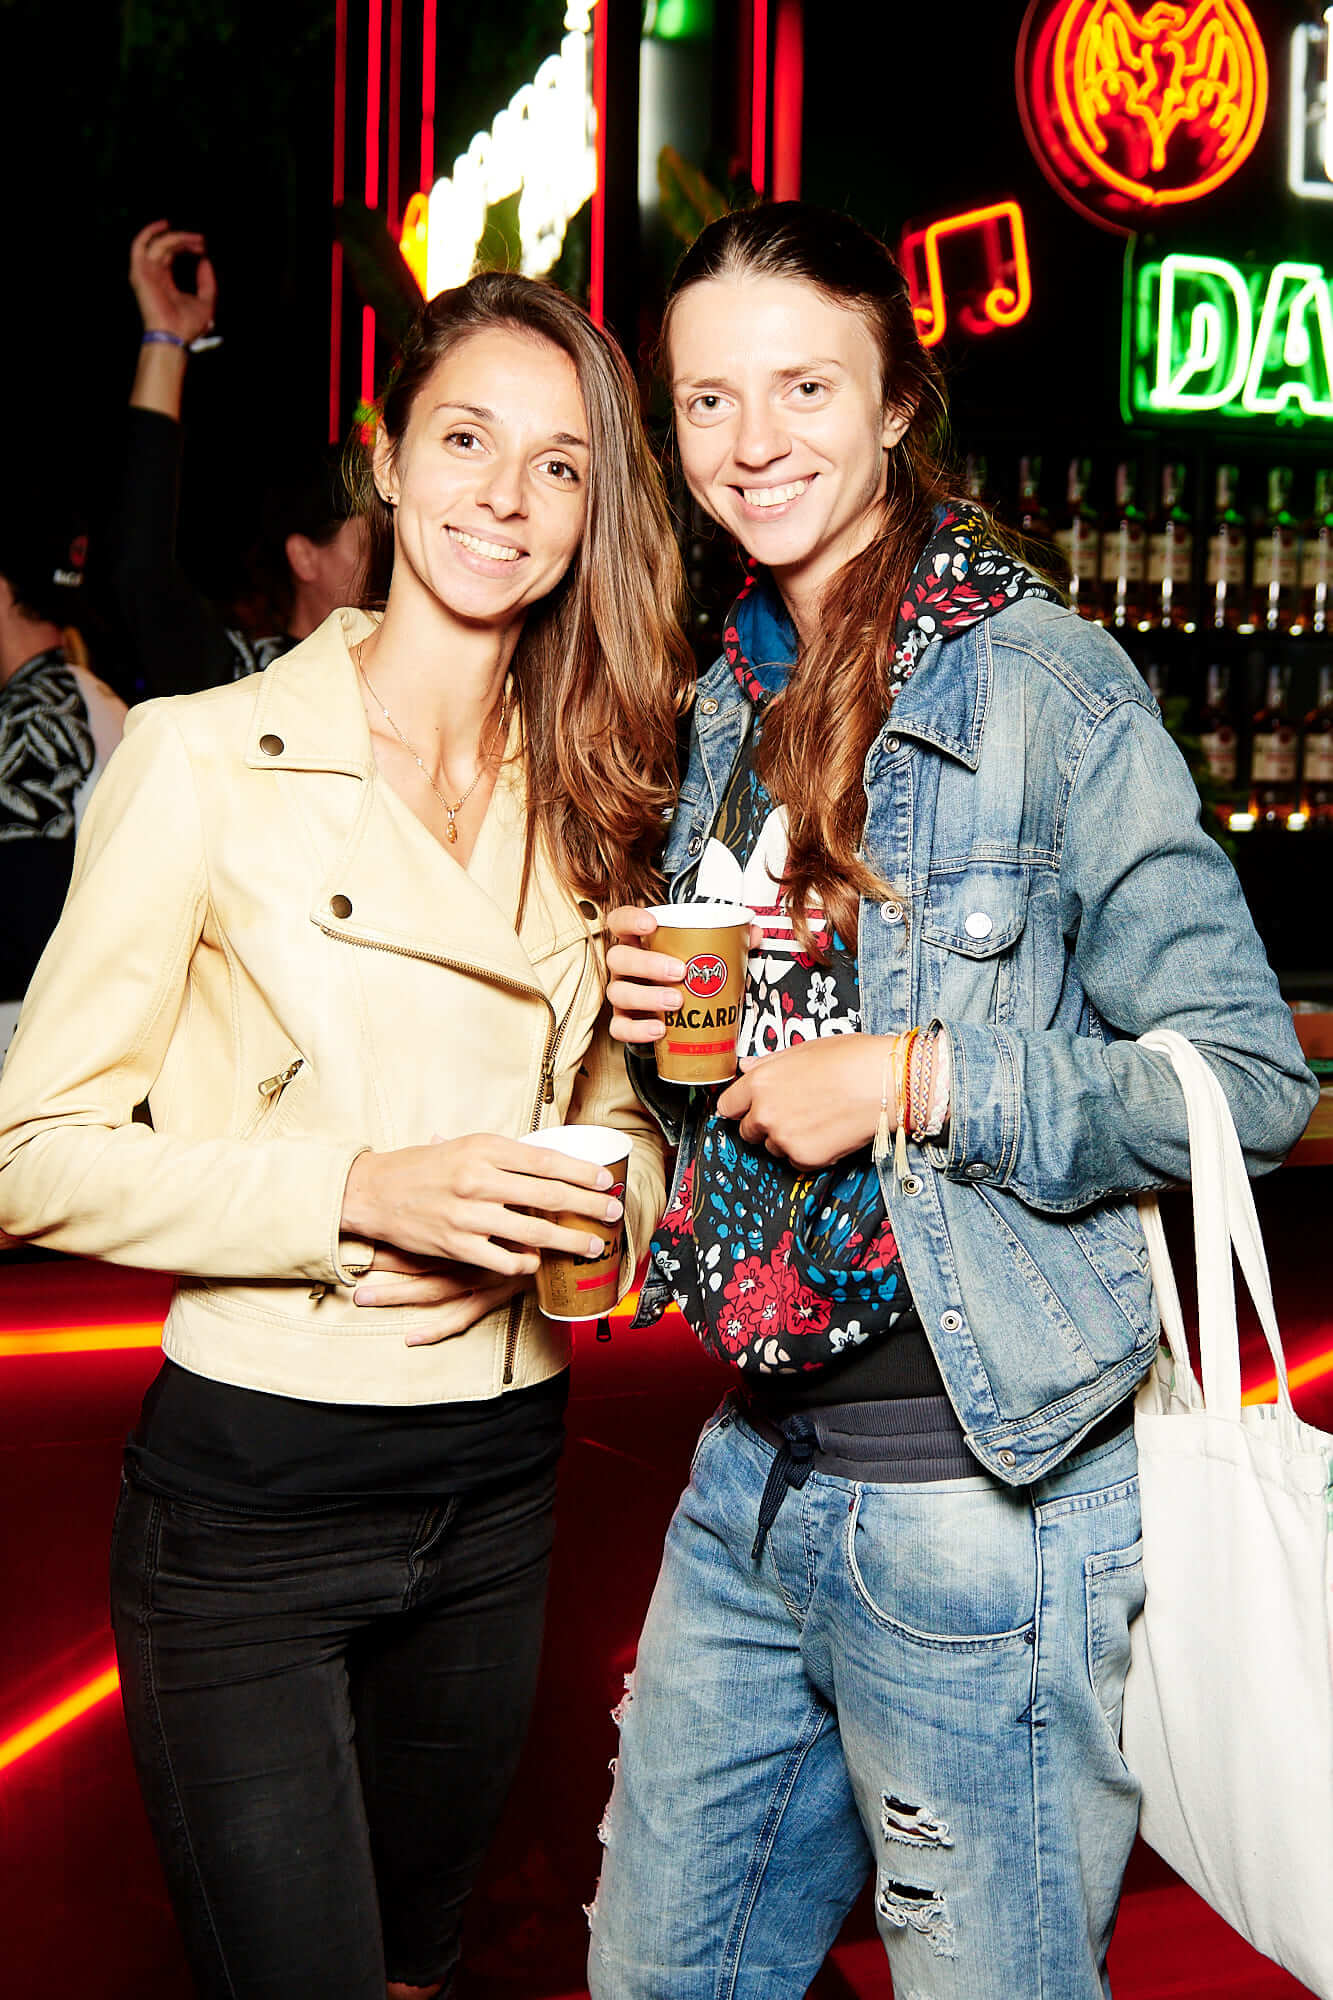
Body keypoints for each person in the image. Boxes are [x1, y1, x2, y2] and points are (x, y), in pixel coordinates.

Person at [588, 203, 1317, 2000]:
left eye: (804, 387)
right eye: (706, 401)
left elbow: (1247, 1082)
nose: (752, 441)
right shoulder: (720, 701)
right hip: (750, 1472)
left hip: (980, 1500)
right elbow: (742, 1093)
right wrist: (647, 1055)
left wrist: (918, 1077)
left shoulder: (1046, 685)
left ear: (896, 400)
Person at [0, 270, 692, 1999]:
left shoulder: (597, 784)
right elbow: (30, 1149)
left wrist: (592, 1217)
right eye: (466, 441)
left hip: (503, 1480)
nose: (504, 498)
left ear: (591, 513)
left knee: (415, 1969)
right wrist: (360, 1195)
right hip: (256, 1499)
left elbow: (618, 1122)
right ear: (386, 458)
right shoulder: (199, 757)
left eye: (557, 467)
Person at [112, 219, 367, 694]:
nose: (393, 564)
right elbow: (143, 572)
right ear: (304, 558)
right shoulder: (248, 684)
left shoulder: (426, 688)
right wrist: (165, 341)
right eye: (374, 543)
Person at [0, 507, 126, 1056]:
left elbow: (25, 919)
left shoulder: (30, 718)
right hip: (93, 1029)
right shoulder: (99, 698)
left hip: (29, 1040)